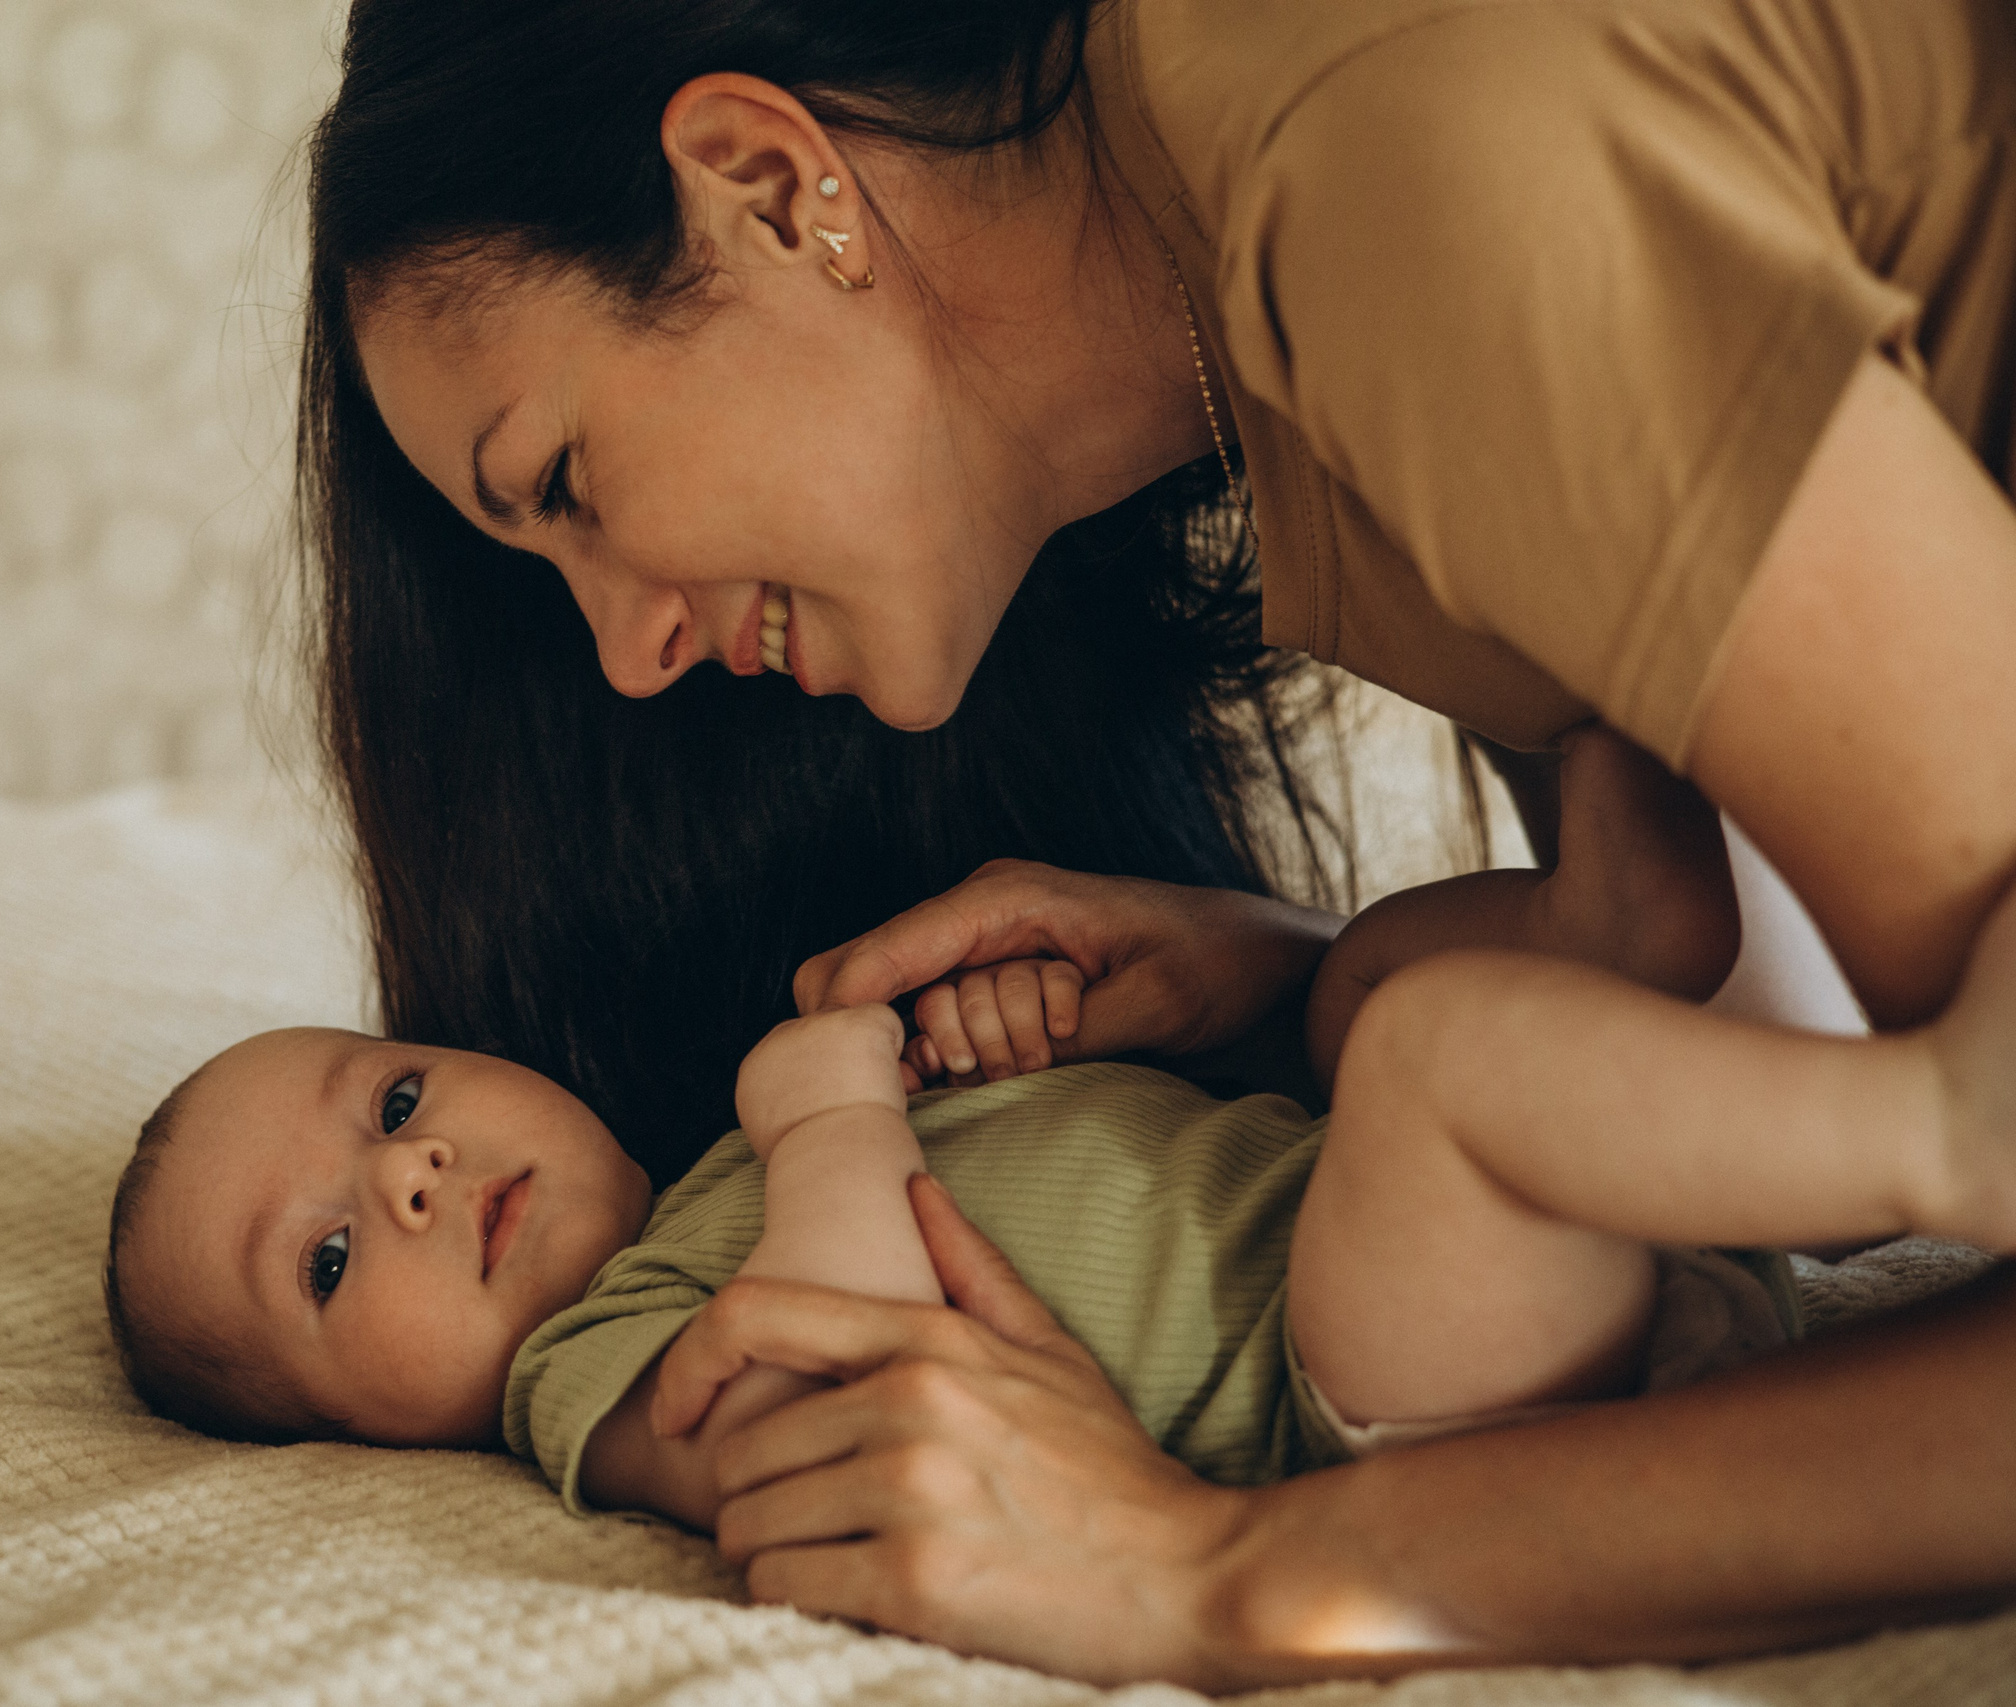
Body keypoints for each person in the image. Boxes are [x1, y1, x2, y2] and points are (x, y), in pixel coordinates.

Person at [298, 0, 2016, 1684]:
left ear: (763, 181)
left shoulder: (1395, 158)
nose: (623, 655)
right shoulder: (1299, 369)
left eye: (568, 483)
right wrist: (1280, 978)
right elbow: (1778, 1052)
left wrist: (1232, 1574)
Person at [107, 732, 2005, 1539]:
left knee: (1373, 991)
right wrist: (841, 1121)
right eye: (335, 1258)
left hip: (1422, 1249)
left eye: (400, 1100)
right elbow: (848, 1384)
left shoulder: (720, 1172)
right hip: (1363, 1399)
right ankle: (1940, 1135)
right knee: (1436, 1058)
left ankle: (1627, 924)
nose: (414, 1178)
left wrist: (1002, 1053)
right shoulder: (590, 1385)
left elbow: (1113, 1151)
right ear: (351, 1436)